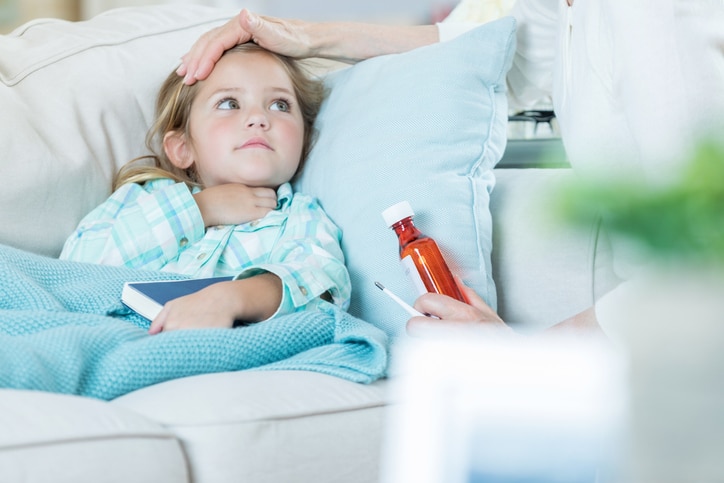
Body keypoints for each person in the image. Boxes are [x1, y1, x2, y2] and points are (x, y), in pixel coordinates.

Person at [175, 1, 724, 342]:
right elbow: (487, 47)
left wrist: (525, 359)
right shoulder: (563, 7)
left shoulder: (661, 14)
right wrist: (300, 38)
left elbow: (707, 272)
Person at [61, 42, 351, 335]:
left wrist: (230, 298)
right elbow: (75, 270)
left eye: (280, 105)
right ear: (183, 147)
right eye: (229, 103)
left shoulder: (299, 215)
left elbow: (323, 285)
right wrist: (201, 209)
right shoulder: (144, 196)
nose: (259, 118)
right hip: (105, 331)